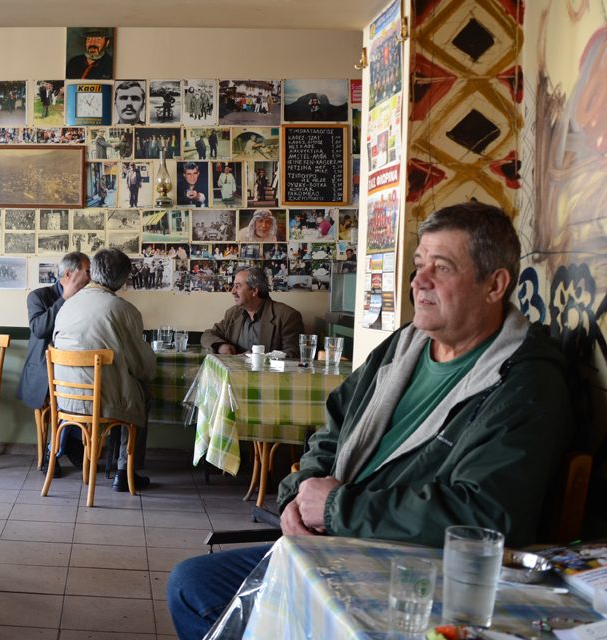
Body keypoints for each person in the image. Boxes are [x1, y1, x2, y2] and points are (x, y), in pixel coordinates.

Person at [168, 203, 575, 639]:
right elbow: (334, 427)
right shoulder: (406, 345)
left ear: (495, 285)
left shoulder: (522, 382)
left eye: (442, 268)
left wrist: (337, 509)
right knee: (193, 585)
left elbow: (483, 516)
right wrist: (297, 494)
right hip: (336, 539)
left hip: (406, 566)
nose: (418, 282)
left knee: (207, 594)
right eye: (419, 265)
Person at [53, 248, 156, 491]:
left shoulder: (67, 305)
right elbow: (142, 367)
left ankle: (107, 463)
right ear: (122, 279)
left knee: (122, 386)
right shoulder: (124, 310)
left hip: (67, 398)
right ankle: (125, 470)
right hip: (104, 401)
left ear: (93, 273)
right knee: (140, 393)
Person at [19, 252, 91, 478]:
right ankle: (55, 450)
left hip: (75, 370)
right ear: (69, 274)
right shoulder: (38, 296)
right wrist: (66, 297)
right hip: (43, 371)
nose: (91, 276)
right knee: (63, 397)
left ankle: (66, 444)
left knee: (88, 394)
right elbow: (39, 329)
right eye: (87, 271)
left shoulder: (89, 298)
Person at [201, 267, 303, 358]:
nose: (232, 291)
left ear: (254, 291)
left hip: (268, 377)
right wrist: (221, 346)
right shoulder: (232, 313)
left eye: (238, 286)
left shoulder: (287, 316)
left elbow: (292, 354)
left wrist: (254, 359)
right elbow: (208, 335)